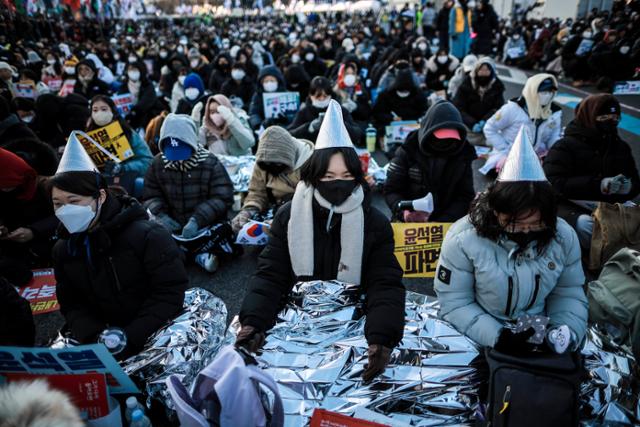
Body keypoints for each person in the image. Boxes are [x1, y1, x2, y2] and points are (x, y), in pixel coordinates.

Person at [236, 101, 405, 382]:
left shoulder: (374, 222)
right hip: (295, 318)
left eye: (346, 176)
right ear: (314, 176)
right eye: (328, 177)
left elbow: (384, 281)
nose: (337, 184)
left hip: (353, 320)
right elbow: (272, 273)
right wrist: (253, 322)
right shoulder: (289, 215)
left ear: (357, 177)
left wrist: (382, 338)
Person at [434, 128, 588, 355]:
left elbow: (568, 293)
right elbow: (454, 302)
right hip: (480, 331)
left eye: (535, 223)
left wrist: (564, 333)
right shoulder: (463, 237)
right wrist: (498, 336)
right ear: (496, 210)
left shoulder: (563, 236)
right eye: (514, 223)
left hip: (540, 330)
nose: (526, 230)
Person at [51, 135, 187, 359]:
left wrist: (130, 337)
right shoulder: (64, 249)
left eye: (73, 201)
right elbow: (72, 303)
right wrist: (95, 336)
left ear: (101, 197)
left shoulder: (147, 236)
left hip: (154, 335)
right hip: (102, 341)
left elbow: (169, 292)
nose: (65, 210)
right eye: (57, 203)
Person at [543, 94, 640, 249]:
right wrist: (599, 185)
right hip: (573, 206)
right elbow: (554, 183)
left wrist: (628, 187)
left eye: (615, 118)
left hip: (610, 207)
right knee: (586, 226)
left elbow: (635, 179)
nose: (611, 122)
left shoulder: (620, 147)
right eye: (604, 117)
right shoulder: (564, 146)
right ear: (589, 116)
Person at [143, 113, 234, 272]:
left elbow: (222, 197)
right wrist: (162, 216)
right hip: (174, 226)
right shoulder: (157, 164)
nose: (178, 160)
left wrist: (197, 220)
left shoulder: (209, 162)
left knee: (223, 236)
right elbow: (151, 195)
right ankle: (188, 255)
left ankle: (194, 254)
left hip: (205, 224)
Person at [384, 101, 476, 223]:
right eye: (441, 137)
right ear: (428, 131)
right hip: (409, 222)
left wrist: (441, 222)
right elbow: (391, 190)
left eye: (450, 137)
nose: (446, 142)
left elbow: (465, 196)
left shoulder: (463, 154)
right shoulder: (408, 150)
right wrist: (404, 213)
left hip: (446, 223)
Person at [231, 126, 313, 233]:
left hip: (303, 215)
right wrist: (248, 211)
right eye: (267, 164)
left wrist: (283, 218)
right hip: (273, 211)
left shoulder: (311, 164)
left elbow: (313, 199)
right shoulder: (264, 163)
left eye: (277, 164)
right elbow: (257, 193)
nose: (271, 168)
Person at [482, 74, 561, 175]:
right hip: (509, 152)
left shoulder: (554, 113)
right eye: (543, 92)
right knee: (508, 173)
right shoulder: (512, 109)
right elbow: (489, 128)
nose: (548, 95)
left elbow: (553, 137)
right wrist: (505, 148)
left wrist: (557, 151)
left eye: (550, 92)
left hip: (537, 154)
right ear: (531, 91)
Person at [0, 148, 57, 286]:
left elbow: (69, 215)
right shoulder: (5, 192)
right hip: (22, 261)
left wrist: (34, 231)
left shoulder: (45, 185)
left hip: (52, 253)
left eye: (6, 185)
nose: (4, 190)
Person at [86, 95, 153, 178]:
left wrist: (122, 168)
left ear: (113, 111)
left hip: (124, 181)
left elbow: (147, 161)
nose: (99, 113)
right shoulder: (86, 137)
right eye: (95, 110)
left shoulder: (128, 133)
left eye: (104, 109)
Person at [288, 76, 363, 144]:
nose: (322, 99)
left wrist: (341, 125)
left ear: (330, 95)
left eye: (325, 96)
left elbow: (357, 133)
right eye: (318, 97)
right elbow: (290, 135)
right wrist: (309, 127)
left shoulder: (340, 110)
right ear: (311, 96)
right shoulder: (304, 112)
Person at [452, 57, 505, 130]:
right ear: (476, 70)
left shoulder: (497, 87)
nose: (484, 72)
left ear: (492, 71)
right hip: (466, 125)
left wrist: (485, 120)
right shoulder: (466, 85)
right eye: (481, 69)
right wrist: (471, 123)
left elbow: (498, 108)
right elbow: (458, 107)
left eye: (487, 70)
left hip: (488, 127)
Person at [116, 60, 161, 130]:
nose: (133, 72)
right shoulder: (123, 87)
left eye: (135, 70)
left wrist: (134, 111)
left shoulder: (147, 85)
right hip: (130, 121)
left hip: (147, 119)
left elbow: (147, 101)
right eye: (130, 70)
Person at [248, 65, 288, 130]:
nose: (269, 83)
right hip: (264, 129)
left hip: (285, 129)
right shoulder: (258, 96)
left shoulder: (286, 95)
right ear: (261, 83)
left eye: (272, 80)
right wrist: (259, 125)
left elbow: (294, 116)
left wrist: (287, 119)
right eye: (266, 81)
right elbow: (253, 113)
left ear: (278, 81)